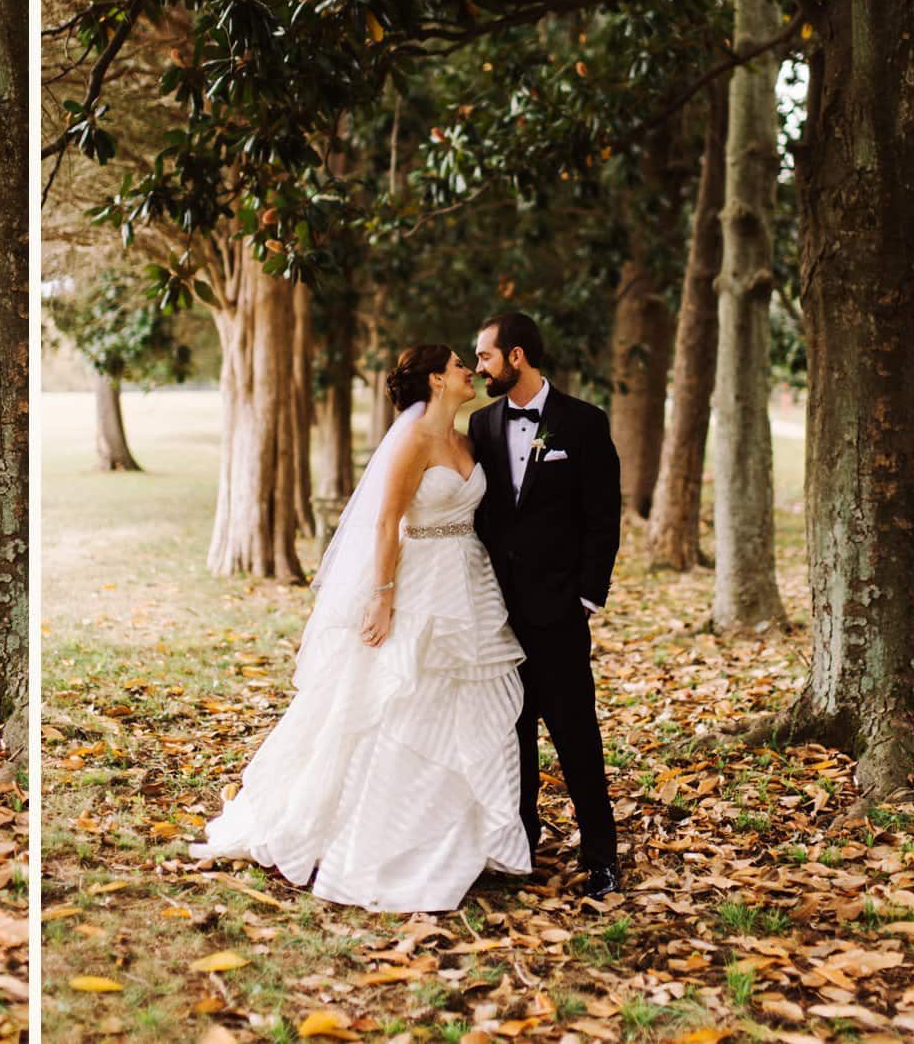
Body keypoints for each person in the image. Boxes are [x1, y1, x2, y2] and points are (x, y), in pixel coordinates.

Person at [192, 346, 530, 913]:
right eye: (457, 365)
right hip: (419, 582)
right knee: (398, 702)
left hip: (469, 584)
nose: (468, 370)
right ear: (435, 379)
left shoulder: (468, 440)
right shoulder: (412, 440)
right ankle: (382, 841)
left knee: (463, 706)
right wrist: (382, 597)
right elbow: (384, 521)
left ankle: (463, 839)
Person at [470, 312, 622, 897]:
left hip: (559, 611)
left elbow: (601, 516)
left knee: (576, 736)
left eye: (484, 356)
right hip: (495, 615)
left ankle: (601, 857)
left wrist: (586, 596)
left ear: (515, 357)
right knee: (514, 737)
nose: (479, 366)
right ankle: (523, 845)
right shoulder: (481, 426)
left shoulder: (583, 423)